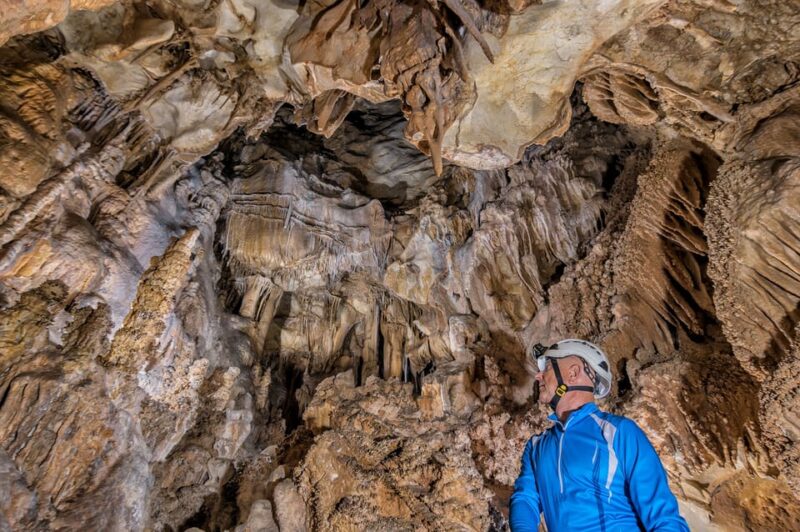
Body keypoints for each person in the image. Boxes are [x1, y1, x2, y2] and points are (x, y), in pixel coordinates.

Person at [509, 339, 689, 531]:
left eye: (547, 369)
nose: (538, 376)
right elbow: (525, 499)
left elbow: (663, 517)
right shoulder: (537, 446)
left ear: (573, 373)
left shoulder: (618, 433)